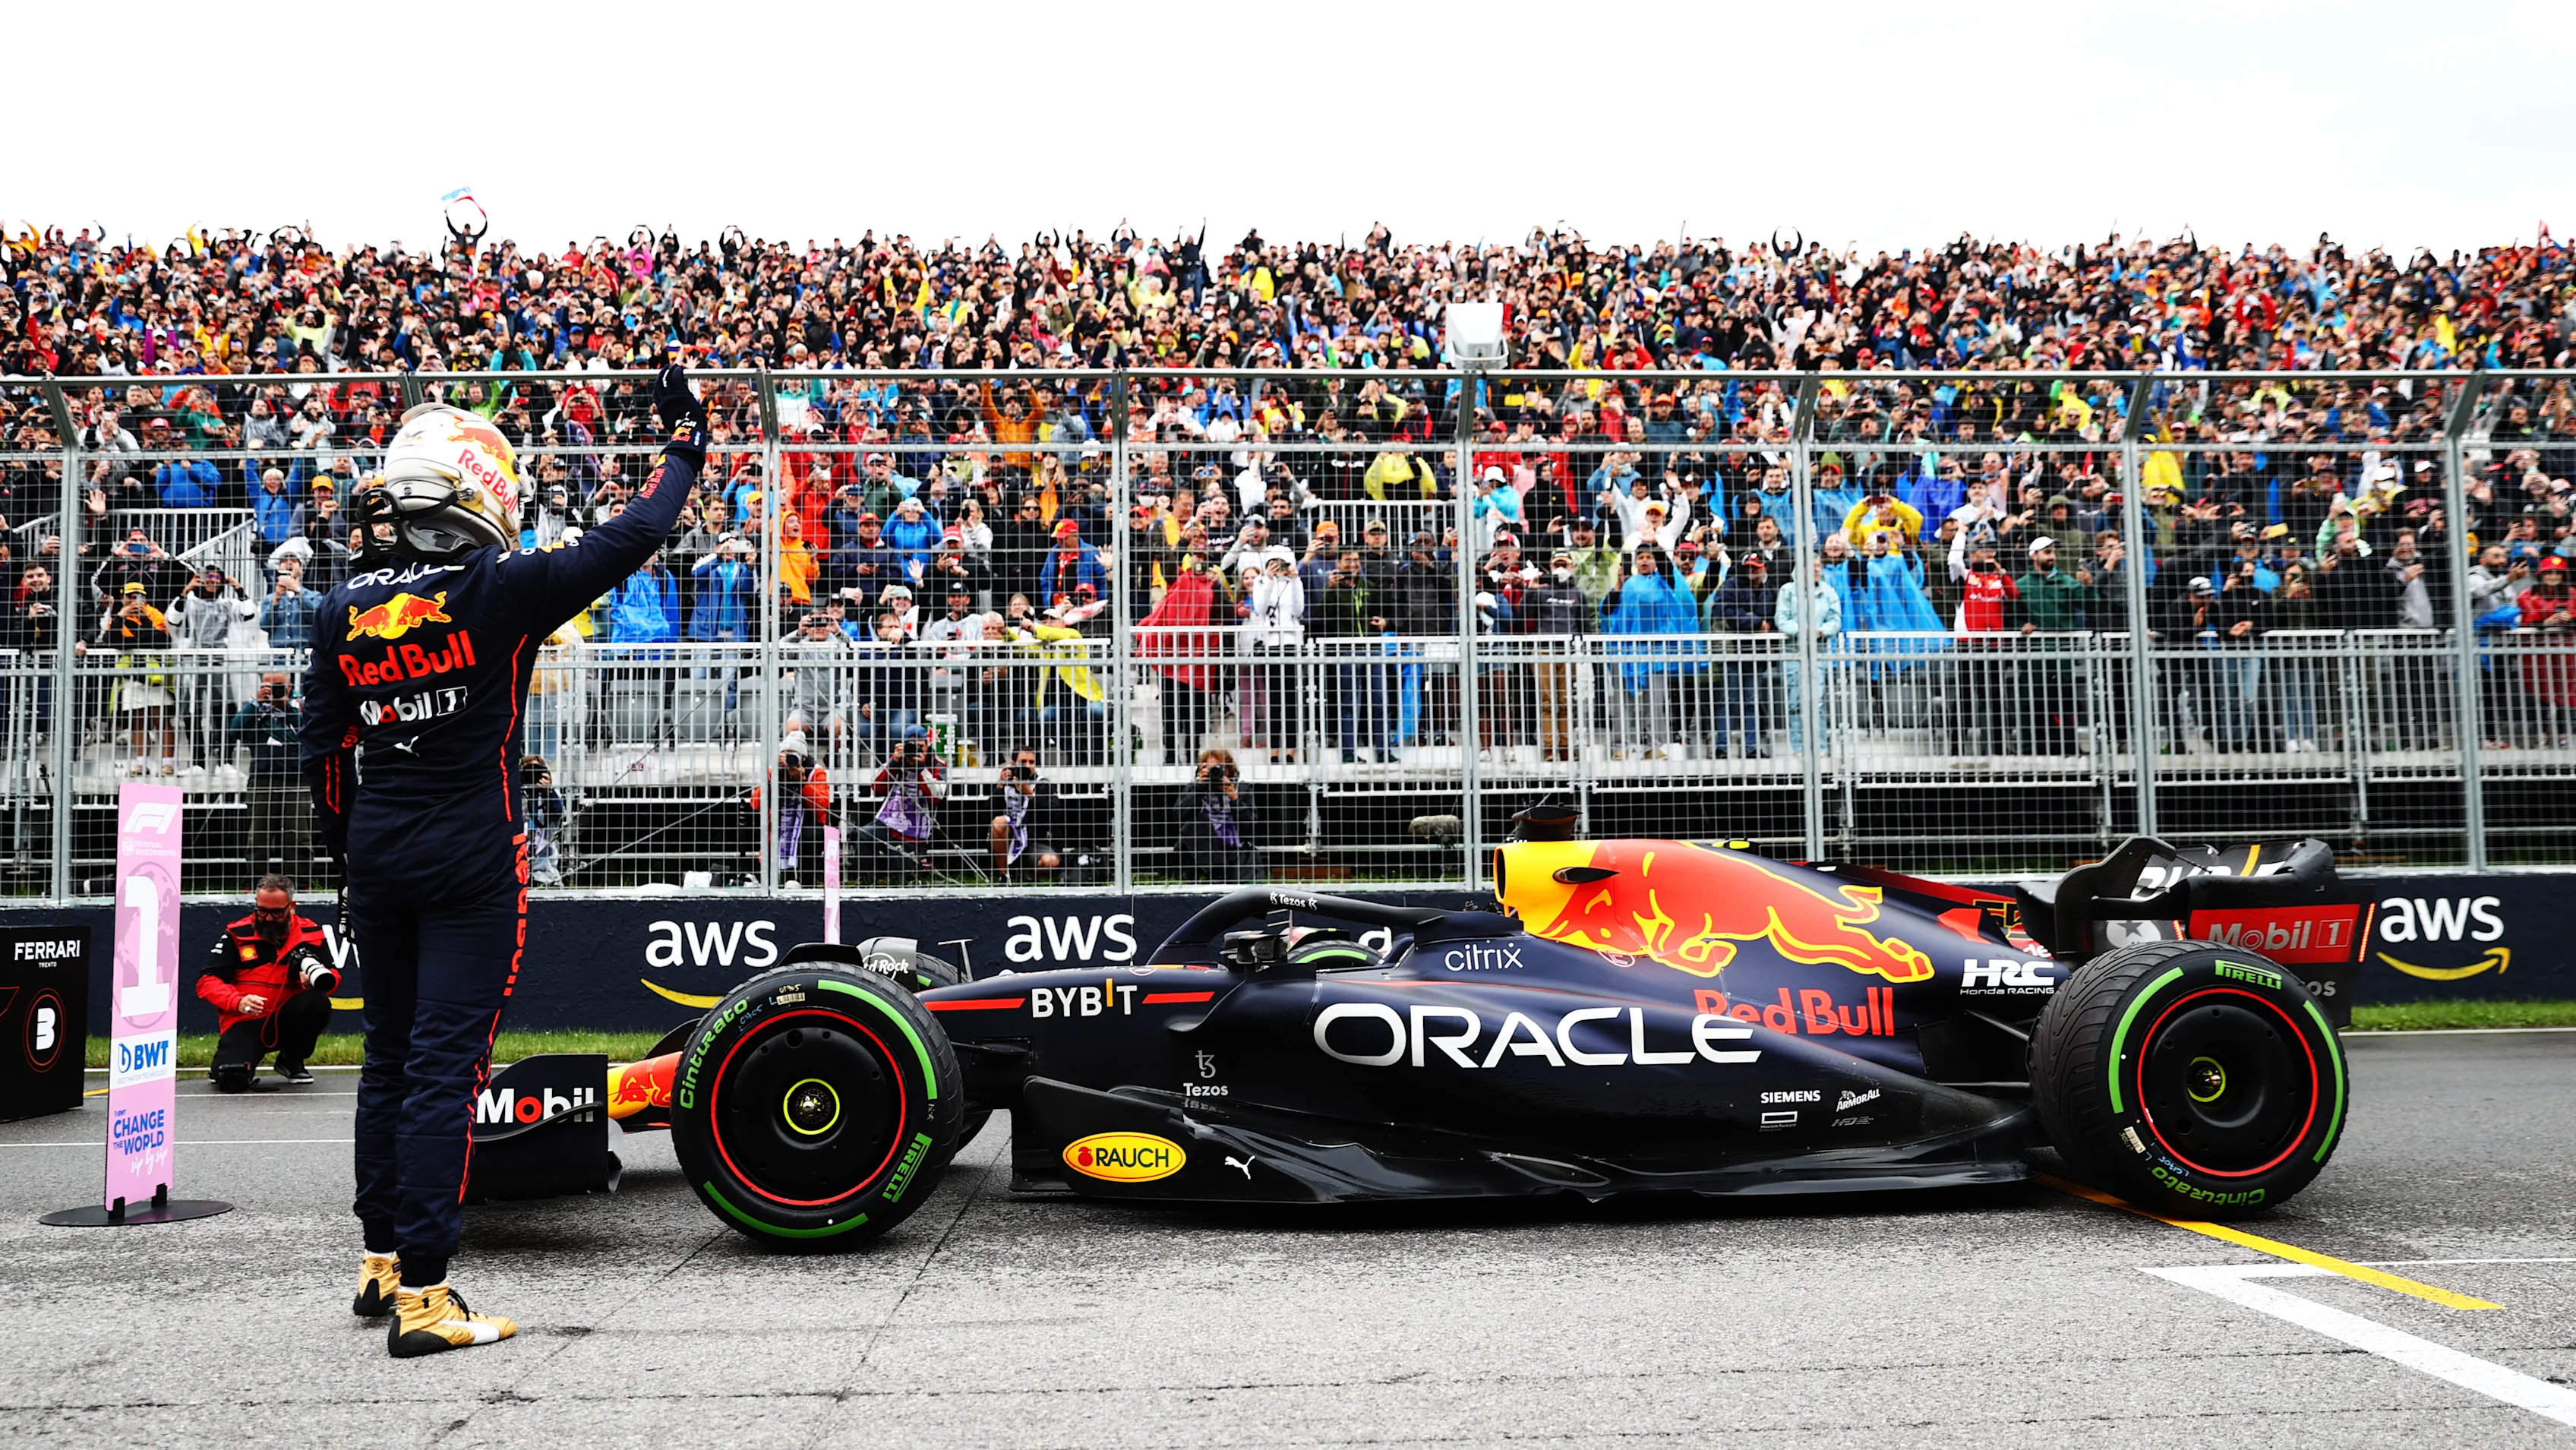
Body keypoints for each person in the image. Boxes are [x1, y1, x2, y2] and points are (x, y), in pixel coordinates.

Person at [299, 365, 704, 1357]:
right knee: (445, 1068)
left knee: (387, 1060)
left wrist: (356, 853)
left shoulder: (337, 609)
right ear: (480, 495)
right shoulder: (503, 589)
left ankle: (383, 1263)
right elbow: (636, 534)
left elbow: (322, 759)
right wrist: (684, 450)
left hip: (378, 854)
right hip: (474, 852)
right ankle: (429, 1301)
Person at [195, 874, 338, 1093]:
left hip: (287, 1018)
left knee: (317, 1002)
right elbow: (207, 981)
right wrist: (238, 1001)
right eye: (262, 911)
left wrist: (313, 983)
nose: (268, 918)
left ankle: (291, 1059)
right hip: (248, 1019)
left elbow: (333, 977)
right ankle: (244, 1057)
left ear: (292, 906)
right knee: (229, 1077)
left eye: (277, 913)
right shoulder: (238, 933)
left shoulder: (312, 934)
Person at [857, 723, 945, 874]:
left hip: (916, 828)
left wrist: (921, 768)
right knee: (863, 834)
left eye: (920, 746)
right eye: (911, 746)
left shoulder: (936, 764)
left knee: (900, 869)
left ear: (927, 745)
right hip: (890, 821)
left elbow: (937, 796)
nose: (916, 750)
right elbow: (877, 787)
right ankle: (868, 880)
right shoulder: (898, 760)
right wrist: (894, 761)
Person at [1175, 747, 1258, 880]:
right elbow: (1179, 818)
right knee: (1195, 824)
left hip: (1232, 846)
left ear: (1230, 769)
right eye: (1210, 769)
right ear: (1202, 769)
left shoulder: (1241, 788)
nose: (1215, 772)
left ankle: (1220, 875)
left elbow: (1251, 828)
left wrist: (1234, 799)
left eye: (1219, 768)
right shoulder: (1194, 787)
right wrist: (1199, 789)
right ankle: (1216, 873)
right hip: (1201, 849)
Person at [990, 747, 1062, 882]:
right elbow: (986, 816)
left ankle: (1029, 876)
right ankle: (1004, 877)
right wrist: (1000, 787)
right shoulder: (1004, 784)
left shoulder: (1043, 785)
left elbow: (1055, 816)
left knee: (1051, 862)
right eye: (1023, 762)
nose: (1027, 766)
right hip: (1008, 838)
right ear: (1013, 764)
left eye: (1031, 762)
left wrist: (1031, 795)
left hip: (1035, 840)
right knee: (999, 822)